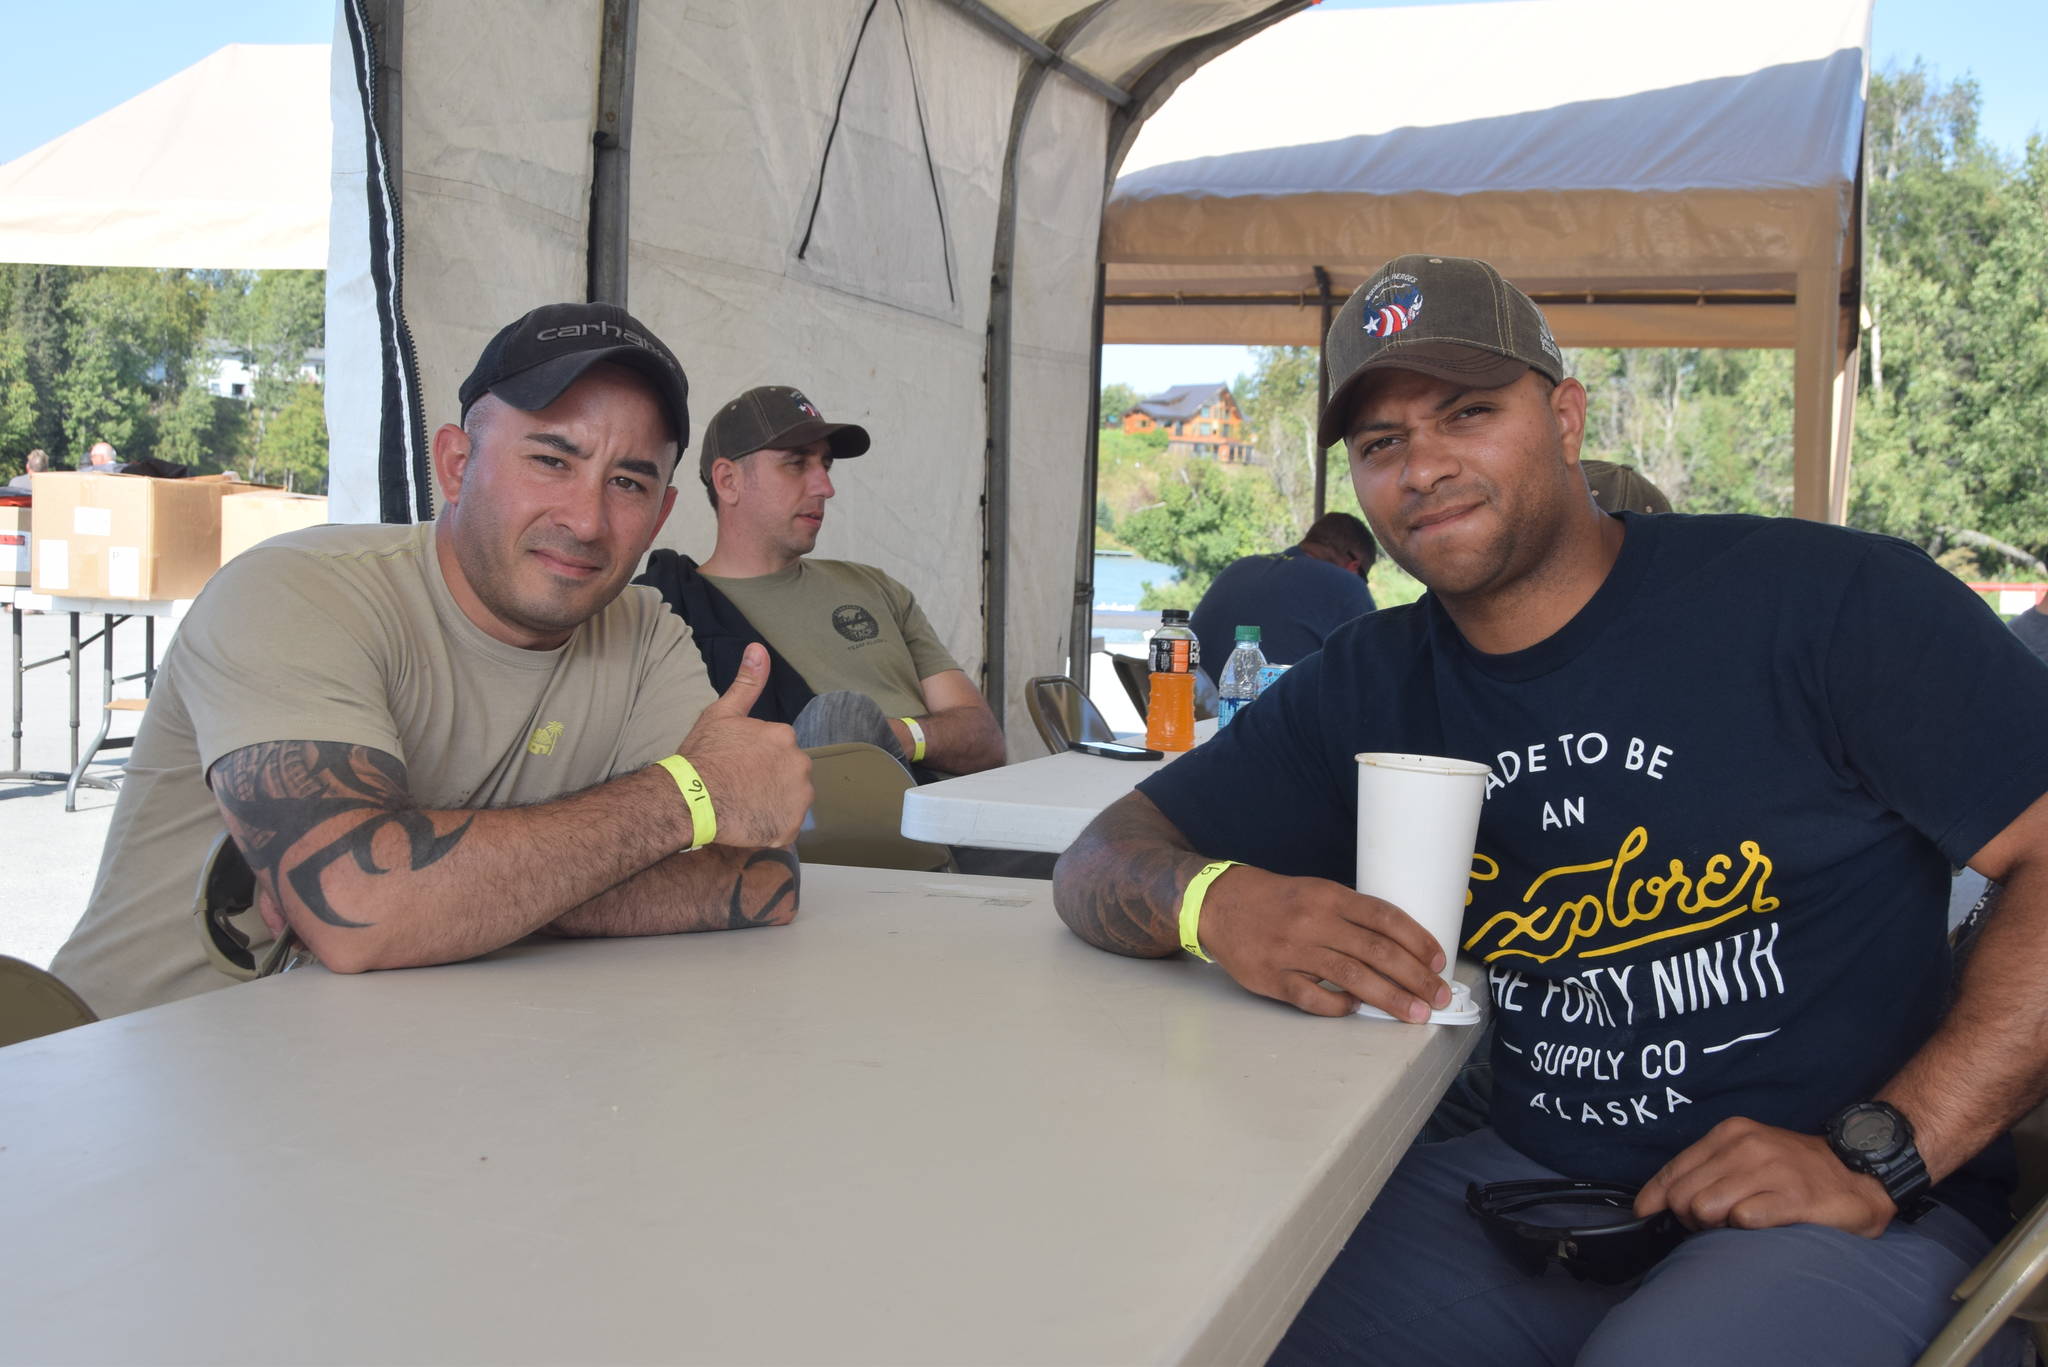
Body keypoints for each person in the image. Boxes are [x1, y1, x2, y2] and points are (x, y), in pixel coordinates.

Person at [1051, 253, 2048, 1365]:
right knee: (1203, 1320)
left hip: (1842, 1200)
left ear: (1564, 415)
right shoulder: (1367, 677)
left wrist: (1881, 1154)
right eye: (1379, 442)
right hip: (1525, 1180)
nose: (1421, 465)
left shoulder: (1824, 601)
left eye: (1465, 412)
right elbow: (1098, 857)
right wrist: (1213, 904)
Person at [52, 302, 814, 1019]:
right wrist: (680, 798)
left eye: (627, 482)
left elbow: (764, 879)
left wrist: (445, 890)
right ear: (454, 464)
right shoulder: (298, 592)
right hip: (130, 1072)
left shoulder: (644, 630)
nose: (585, 519)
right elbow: (360, 911)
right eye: (551, 460)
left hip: (401, 1078)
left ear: (662, 515)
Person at [636, 384, 1004, 780]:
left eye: (825, 465)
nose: (825, 488)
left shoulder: (876, 587)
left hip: (962, 815)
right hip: (822, 832)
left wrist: (892, 735)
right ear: (728, 481)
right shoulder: (670, 612)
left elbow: (984, 738)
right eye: (797, 463)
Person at [1187, 511, 1377, 685]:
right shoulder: (1346, 585)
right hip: (1260, 716)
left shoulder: (1240, 566)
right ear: (1354, 566)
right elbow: (1375, 674)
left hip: (1190, 711)